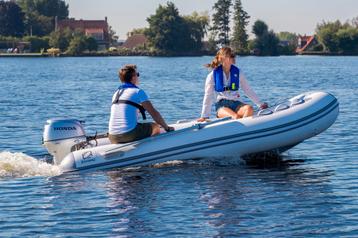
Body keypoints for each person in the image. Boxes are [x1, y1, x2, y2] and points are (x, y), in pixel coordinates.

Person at [109, 64, 174, 144]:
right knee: (155, 126)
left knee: (141, 126)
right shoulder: (137, 92)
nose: (138, 77)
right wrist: (167, 128)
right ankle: (150, 148)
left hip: (112, 137)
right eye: (138, 74)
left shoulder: (116, 93)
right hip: (128, 134)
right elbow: (154, 113)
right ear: (133, 77)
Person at [198, 47, 268, 122]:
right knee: (235, 116)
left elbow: (247, 90)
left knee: (249, 108)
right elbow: (208, 95)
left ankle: (243, 130)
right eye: (231, 55)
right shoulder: (212, 75)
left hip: (236, 103)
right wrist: (204, 116)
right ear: (223, 58)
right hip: (222, 106)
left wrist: (260, 104)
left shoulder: (238, 72)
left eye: (234, 55)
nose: (234, 57)